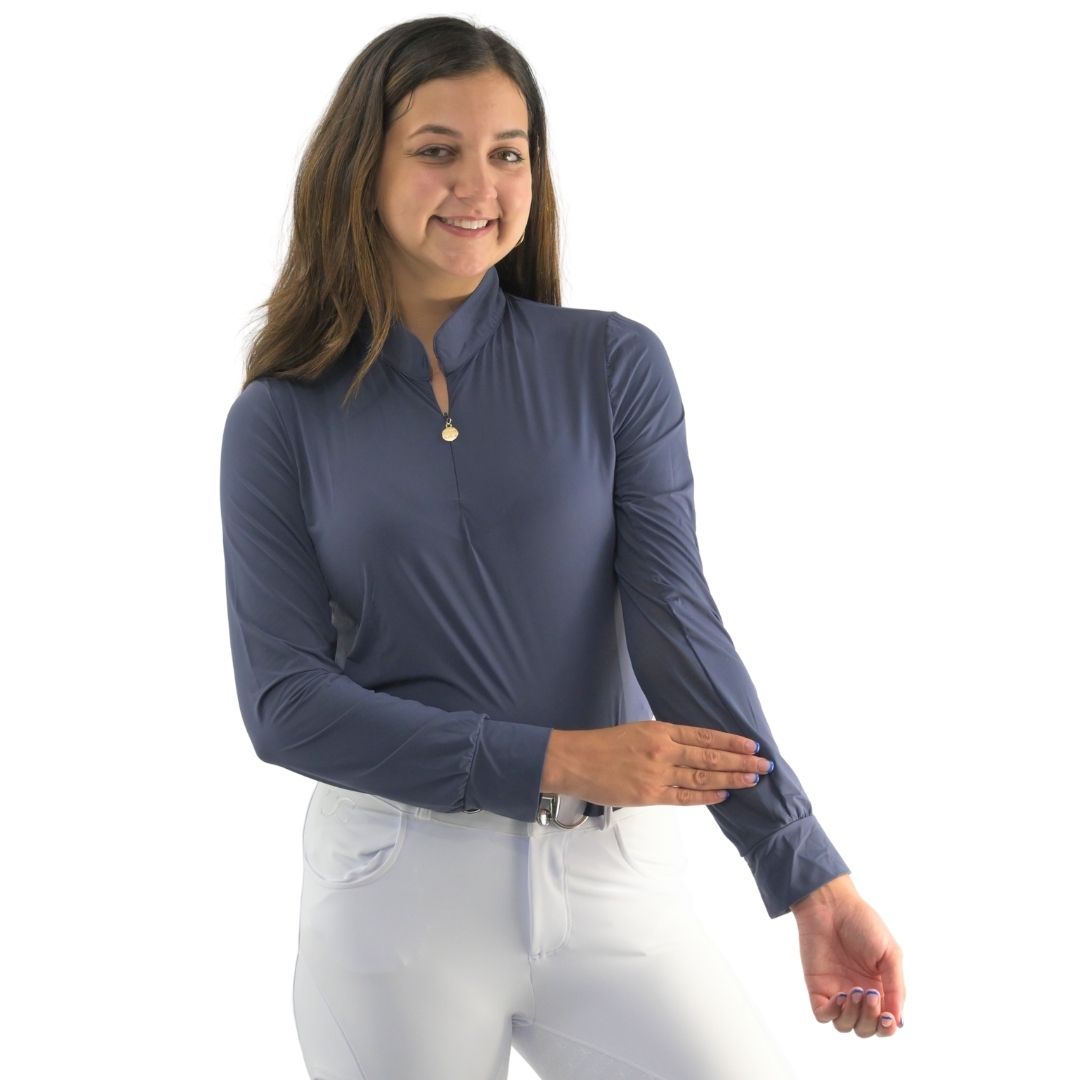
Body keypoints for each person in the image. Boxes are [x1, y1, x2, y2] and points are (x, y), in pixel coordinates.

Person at [218, 15, 905, 1080]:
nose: (478, 186)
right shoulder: (280, 418)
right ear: (363, 168)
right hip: (395, 896)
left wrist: (810, 876)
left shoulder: (613, 366)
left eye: (509, 153)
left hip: (615, 885)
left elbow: (679, 627)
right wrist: (554, 759)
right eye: (438, 149)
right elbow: (285, 704)